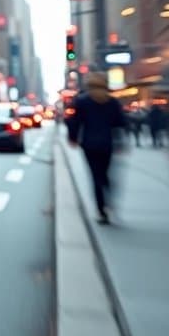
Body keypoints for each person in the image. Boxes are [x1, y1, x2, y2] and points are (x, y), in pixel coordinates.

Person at [67, 72, 127, 224]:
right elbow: (120, 123)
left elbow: (74, 121)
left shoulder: (82, 101)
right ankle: (108, 200)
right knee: (105, 174)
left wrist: (72, 138)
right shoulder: (112, 102)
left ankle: (101, 210)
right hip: (107, 143)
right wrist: (120, 142)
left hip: (89, 144)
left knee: (95, 176)